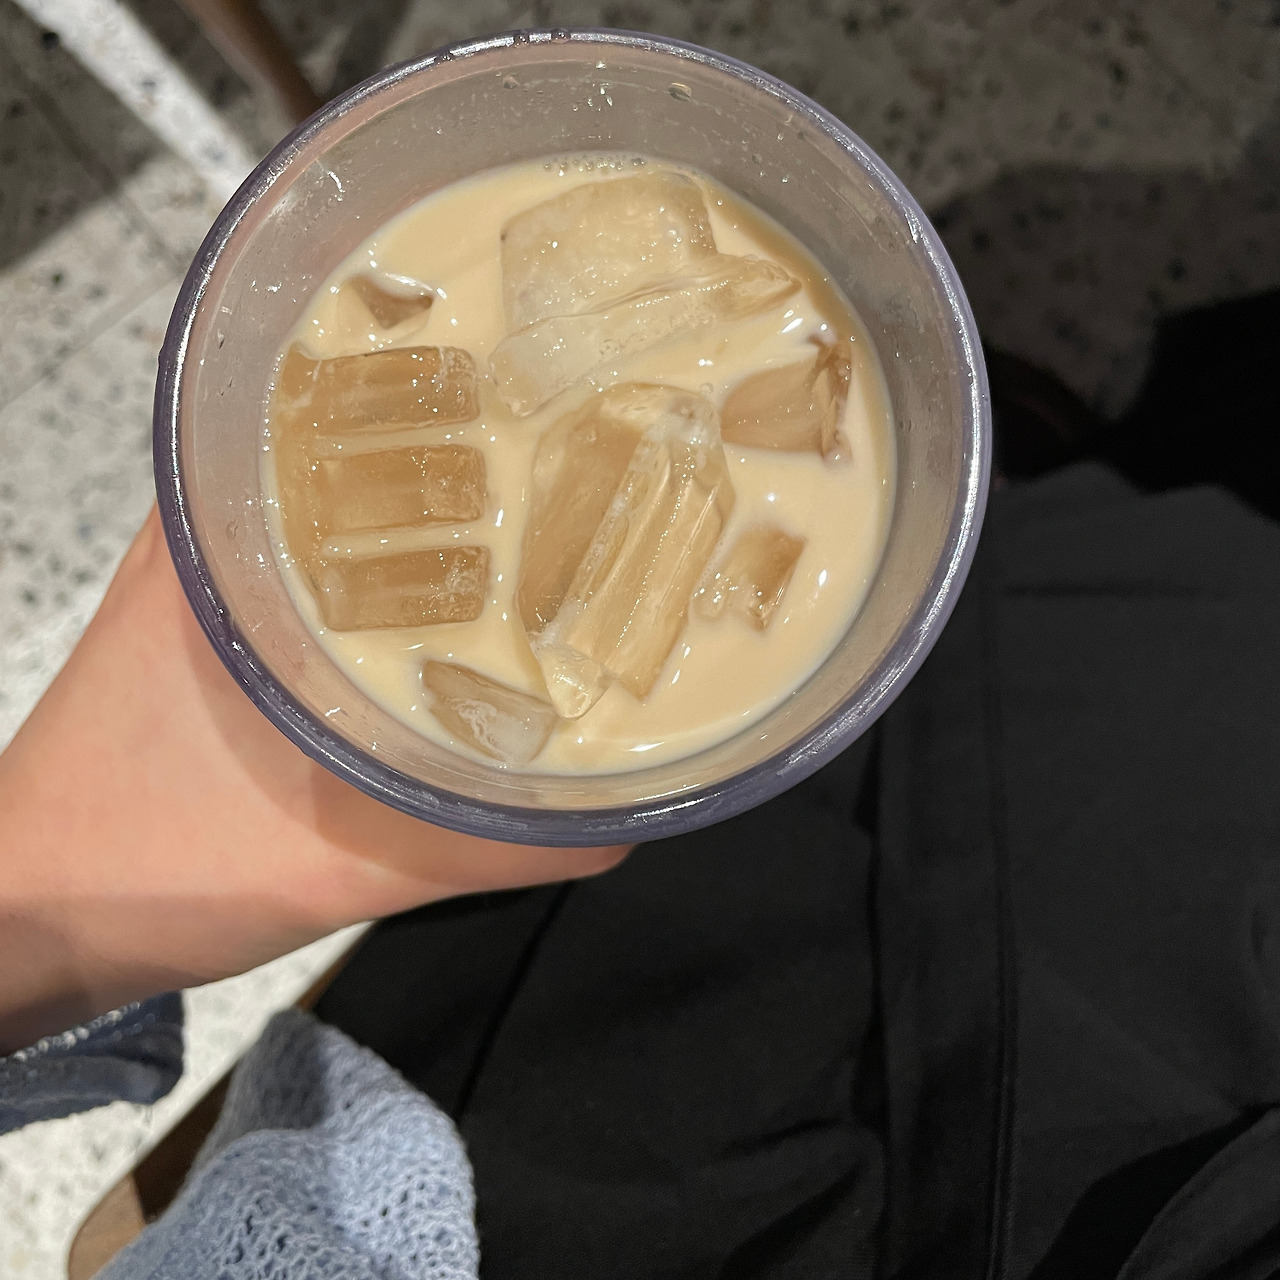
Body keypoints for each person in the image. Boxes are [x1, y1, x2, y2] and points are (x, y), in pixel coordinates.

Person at [3, 293, 1279, 1279]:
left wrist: (48, 892)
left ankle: (1037, 498)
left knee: (1118, 600)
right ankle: (1048, 495)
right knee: (1167, 618)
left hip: (493, 1141)